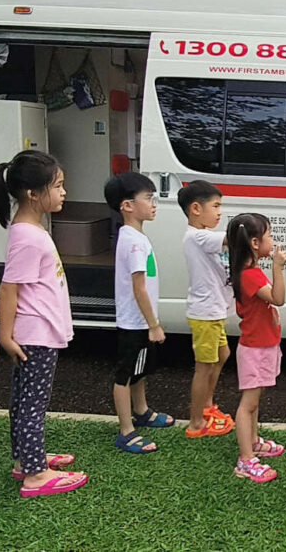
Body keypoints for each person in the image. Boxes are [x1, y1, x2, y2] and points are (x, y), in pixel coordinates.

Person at [0, 150, 87, 498]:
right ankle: (35, 474)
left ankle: (26, 459)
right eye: (57, 186)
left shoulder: (29, 230)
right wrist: (5, 335)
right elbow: (9, 287)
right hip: (36, 332)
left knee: (23, 400)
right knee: (33, 404)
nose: (63, 192)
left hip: (35, 330)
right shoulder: (28, 236)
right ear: (33, 193)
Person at [104, 172, 175, 453]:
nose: (153, 204)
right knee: (125, 375)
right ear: (127, 206)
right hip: (134, 323)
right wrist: (153, 324)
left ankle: (142, 411)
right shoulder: (134, 242)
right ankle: (126, 431)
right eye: (148, 198)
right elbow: (139, 287)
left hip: (139, 321)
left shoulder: (135, 236)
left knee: (139, 369)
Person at [227, 213, 286, 483]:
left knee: (255, 401)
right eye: (269, 236)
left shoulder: (251, 271)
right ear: (254, 243)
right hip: (255, 349)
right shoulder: (250, 275)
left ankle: (253, 442)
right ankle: (245, 459)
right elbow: (278, 298)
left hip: (262, 345)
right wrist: (278, 266)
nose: (273, 241)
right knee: (248, 405)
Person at [178, 180, 235, 439]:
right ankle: (196, 422)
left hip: (214, 311)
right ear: (195, 209)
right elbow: (234, 238)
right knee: (204, 366)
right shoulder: (198, 236)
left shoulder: (203, 236)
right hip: (206, 312)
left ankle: (207, 405)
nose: (220, 212)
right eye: (216, 206)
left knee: (222, 354)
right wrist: (254, 228)